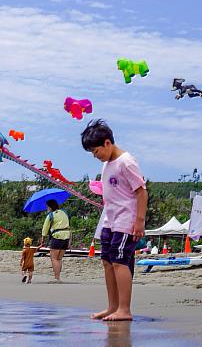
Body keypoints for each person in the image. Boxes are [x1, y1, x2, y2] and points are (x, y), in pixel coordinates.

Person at [81, 119, 148, 322]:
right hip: (110, 221)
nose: (95, 156)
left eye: (96, 151)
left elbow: (141, 192)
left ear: (107, 143)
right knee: (107, 262)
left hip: (126, 222)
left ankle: (124, 309)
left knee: (120, 262)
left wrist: (139, 221)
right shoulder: (107, 164)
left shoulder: (126, 162)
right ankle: (112, 307)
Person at [39, 199, 70, 282]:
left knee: (54, 258)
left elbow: (45, 229)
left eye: (47, 207)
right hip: (66, 236)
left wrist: (42, 240)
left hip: (57, 237)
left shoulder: (50, 215)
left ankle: (57, 278)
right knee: (59, 258)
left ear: (49, 207)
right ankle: (58, 277)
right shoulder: (64, 212)